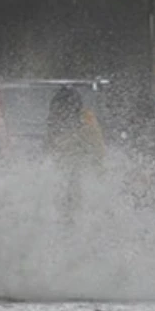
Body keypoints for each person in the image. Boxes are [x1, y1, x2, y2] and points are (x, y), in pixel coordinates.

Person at [43, 85, 106, 217]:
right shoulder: (54, 122)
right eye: (55, 109)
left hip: (82, 175)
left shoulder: (87, 121)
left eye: (59, 108)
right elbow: (48, 150)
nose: (57, 113)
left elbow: (98, 152)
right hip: (62, 175)